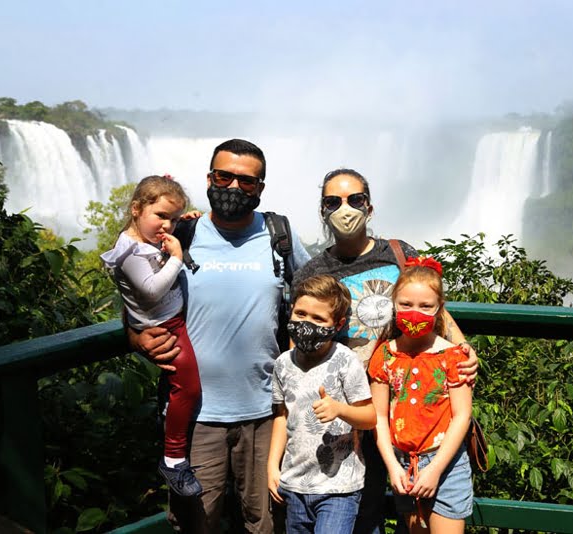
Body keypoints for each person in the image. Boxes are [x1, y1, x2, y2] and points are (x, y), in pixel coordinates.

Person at [128, 139, 311, 534]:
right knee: (197, 521)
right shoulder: (180, 235)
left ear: (260, 188)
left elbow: (321, 294)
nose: (232, 187)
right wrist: (134, 336)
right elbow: (138, 295)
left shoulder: (279, 235)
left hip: (268, 412)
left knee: (266, 523)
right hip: (196, 417)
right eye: (224, 176)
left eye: (246, 181)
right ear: (210, 178)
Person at [292, 169, 478, 533]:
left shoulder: (398, 254)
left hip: (406, 410)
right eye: (333, 202)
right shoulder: (313, 271)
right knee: (359, 512)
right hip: (350, 414)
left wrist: (465, 348)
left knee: (406, 507)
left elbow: (434, 308)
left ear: (370, 206)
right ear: (322, 210)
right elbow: (301, 342)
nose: (345, 209)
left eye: (355, 200)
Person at [100, 175, 203, 497]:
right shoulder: (130, 252)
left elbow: (162, 222)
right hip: (166, 328)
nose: (167, 226)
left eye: (173, 219)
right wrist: (177, 256)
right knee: (188, 388)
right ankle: (173, 459)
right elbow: (151, 290)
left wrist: (180, 223)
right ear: (135, 209)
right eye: (161, 216)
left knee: (184, 387)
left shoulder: (146, 241)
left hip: (172, 321)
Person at [368, 257, 473, 534]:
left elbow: (462, 416)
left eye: (426, 306)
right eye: (406, 305)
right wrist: (392, 466)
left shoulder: (452, 356)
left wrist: (436, 468)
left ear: (440, 310)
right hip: (404, 465)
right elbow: (377, 415)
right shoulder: (385, 355)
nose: (415, 313)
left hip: (446, 464)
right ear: (394, 305)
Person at [268, 274, 376, 534]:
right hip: (295, 484)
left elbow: (370, 416)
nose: (307, 324)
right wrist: (273, 465)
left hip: (338, 487)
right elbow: (281, 416)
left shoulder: (345, 361)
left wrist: (340, 409)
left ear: (337, 324)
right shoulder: (283, 364)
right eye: (300, 314)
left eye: (318, 319)